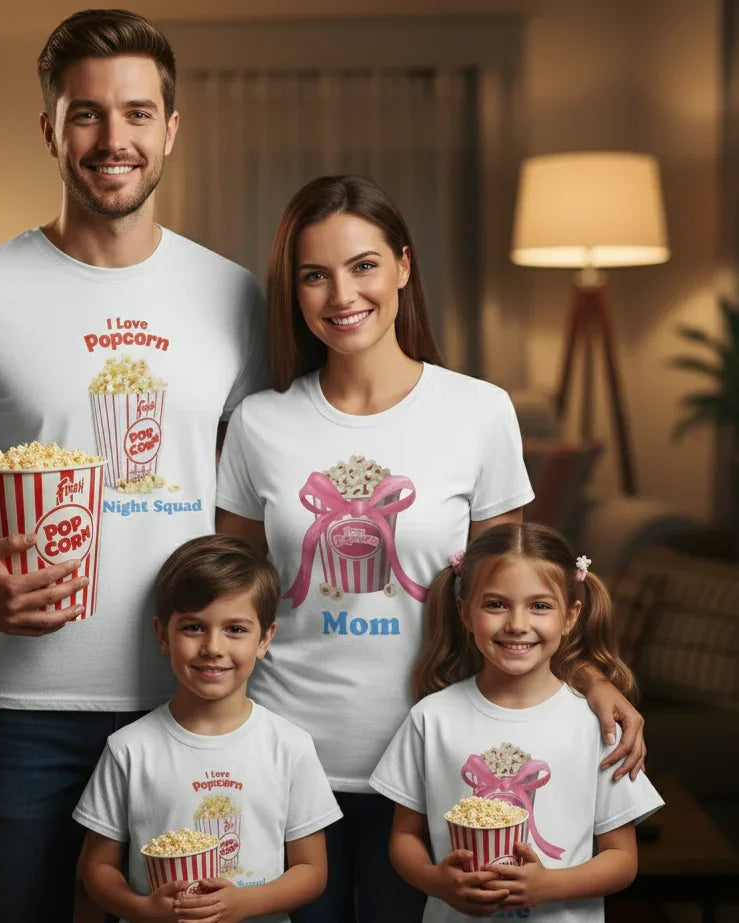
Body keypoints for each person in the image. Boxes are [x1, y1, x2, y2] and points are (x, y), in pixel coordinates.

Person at [0, 10, 265, 923]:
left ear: (171, 128)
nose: (112, 138)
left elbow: (256, 503)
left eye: (135, 113)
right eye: (85, 114)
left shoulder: (235, 297)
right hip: (21, 707)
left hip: (193, 697)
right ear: (50, 128)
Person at [214, 175, 647, 923]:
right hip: (284, 760)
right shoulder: (258, 423)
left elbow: (512, 587)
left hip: (435, 764)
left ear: (403, 267)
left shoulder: (477, 411)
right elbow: (231, 597)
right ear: (293, 290)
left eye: (363, 265)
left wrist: (585, 674)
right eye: (313, 274)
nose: (340, 293)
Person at [370, 522, 663, 921]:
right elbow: (404, 838)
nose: (517, 624)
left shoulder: (598, 725)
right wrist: (439, 882)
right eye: (496, 604)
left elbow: (622, 859)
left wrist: (547, 886)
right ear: (465, 613)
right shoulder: (431, 718)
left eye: (540, 606)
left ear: (571, 617)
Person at [75, 535, 342, 922]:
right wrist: (143, 909)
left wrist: (242, 904)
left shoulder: (290, 747)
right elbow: (97, 868)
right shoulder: (129, 749)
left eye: (235, 629)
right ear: (162, 634)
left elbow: (312, 872)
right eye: (193, 627)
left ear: (265, 638)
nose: (213, 647)